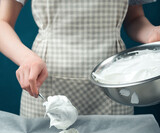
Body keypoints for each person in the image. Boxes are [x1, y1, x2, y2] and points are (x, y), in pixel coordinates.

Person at [0, 0, 160, 117]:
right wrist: (26, 58)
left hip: (114, 87)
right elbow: (2, 22)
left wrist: (151, 33)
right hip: (45, 84)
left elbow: (135, 19)